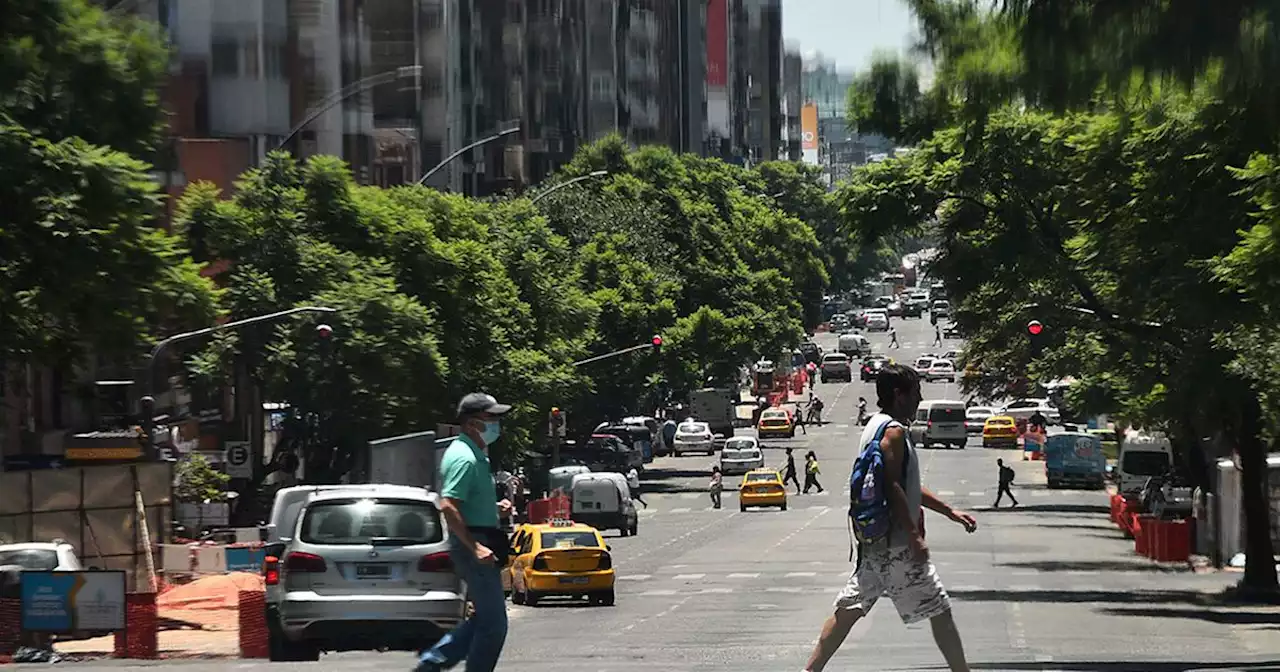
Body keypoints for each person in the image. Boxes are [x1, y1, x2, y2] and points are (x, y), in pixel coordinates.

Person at [803, 364, 978, 672]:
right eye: (916, 393)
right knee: (940, 611)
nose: (919, 399)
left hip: (875, 541)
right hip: (898, 545)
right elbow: (892, 486)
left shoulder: (874, 425)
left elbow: (905, 484)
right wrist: (914, 536)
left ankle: (809, 670)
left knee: (849, 609)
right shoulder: (894, 432)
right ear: (899, 395)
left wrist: (949, 512)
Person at [416, 393, 514, 672]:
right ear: (472, 424)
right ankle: (431, 665)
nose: (497, 423)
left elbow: (466, 503)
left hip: (480, 537)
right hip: (475, 543)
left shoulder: (474, 454)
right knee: (494, 626)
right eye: (491, 418)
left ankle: (429, 665)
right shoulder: (464, 458)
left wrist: (495, 509)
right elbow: (447, 505)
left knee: (483, 621)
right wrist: (475, 547)